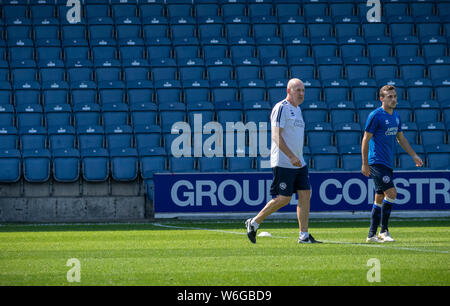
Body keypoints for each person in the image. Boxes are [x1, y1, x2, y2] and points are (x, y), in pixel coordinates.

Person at [245, 78, 321, 244]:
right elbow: (275, 136)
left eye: (303, 90)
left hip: (299, 162)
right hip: (284, 162)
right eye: (297, 90)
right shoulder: (281, 108)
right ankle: (254, 222)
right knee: (283, 198)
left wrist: (297, 157)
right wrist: (291, 156)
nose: (301, 94)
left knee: (305, 195)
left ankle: (304, 235)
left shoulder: (298, 110)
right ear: (289, 91)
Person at [361, 85, 423, 243]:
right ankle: (384, 231)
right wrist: (365, 164)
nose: (393, 99)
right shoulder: (376, 115)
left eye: (394, 96)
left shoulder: (396, 116)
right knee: (392, 193)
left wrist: (414, 155)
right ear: (381, 99)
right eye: (389, 96)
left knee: (379, 197)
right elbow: (365, 139)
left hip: (387, 163)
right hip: (376, 161)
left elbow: (401, 138)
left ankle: (371, 235)